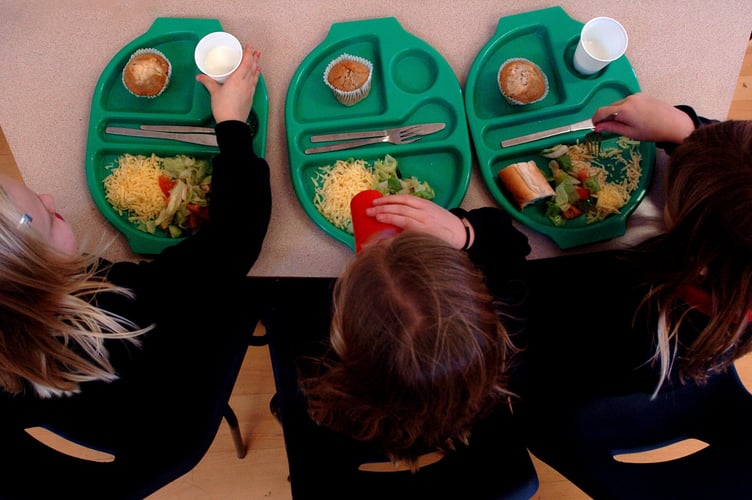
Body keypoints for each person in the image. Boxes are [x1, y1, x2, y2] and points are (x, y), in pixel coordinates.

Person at [0, 44, 270, 398]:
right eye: (47, 215)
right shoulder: (126, 307)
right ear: (37, 274)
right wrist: (233, 125)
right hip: (180, 392)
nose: (51, 200)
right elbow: (235, 238)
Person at [524, 92, 751, 402]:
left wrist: (479, 236)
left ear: (696, 259)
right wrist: (687, 129)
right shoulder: (729, 258)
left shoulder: (632, 322)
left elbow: (520, 306)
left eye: (675, 196)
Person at [287, 195, 532, 472]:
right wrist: (463, 232)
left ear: (341, 337)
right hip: (461, 435)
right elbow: (513, 244)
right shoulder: (507, 334)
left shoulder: (320, 375)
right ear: (482, 299)